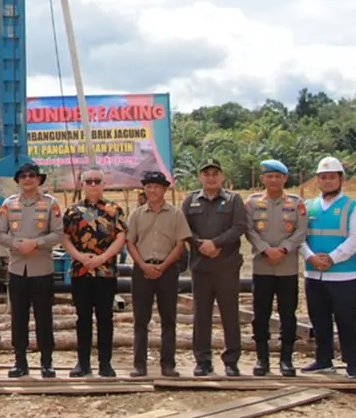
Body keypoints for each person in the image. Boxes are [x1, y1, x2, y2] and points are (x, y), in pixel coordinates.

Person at [0, 161, 64, 378]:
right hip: (17, 269)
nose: (27, 179)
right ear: (18, 180)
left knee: (44, 317)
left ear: (39, 179)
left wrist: (35, 243)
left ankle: (47, 362)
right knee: (19, 316)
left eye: (32, 176)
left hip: (42, 269)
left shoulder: (50, 203)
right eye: (23, 176)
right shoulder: (9, 204)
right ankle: (20, 361)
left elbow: (58, 234)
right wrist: (17, 244)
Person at [301, 156, 356, 378]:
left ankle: (351, 362)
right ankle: (323, 360)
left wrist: (331, 258)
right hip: (314, 274)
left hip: (343, 275)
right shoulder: (309, 206)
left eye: (332, 177)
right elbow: (299, 237)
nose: (328, 181)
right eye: (323, 177)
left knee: (346, 319)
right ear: (317, 180)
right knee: (319, 319)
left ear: (341, 179)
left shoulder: (353, 206)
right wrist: (310, 257)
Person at [182, 158, 248, 376]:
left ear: (222, 176)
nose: (211, 177)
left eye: (215, 173)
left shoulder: (233, 199)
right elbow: (184, 229)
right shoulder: (190, 200)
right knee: (201, 315)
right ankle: (202, 360)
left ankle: (231, 360)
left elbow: (239, 227)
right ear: (200, 176)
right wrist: (201, 245)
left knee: (230, 313)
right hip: (201, 266)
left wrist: (216, 243)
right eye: (206, 173)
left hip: (226, 266)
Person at [244, 159, 308, 376]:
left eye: (277, 176)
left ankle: (286, 360)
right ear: (262, 179)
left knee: (287, 314)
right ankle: (262, 359)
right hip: (262, 267)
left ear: (284, 179)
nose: (273, 180)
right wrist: (265, 249)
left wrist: (283, 249)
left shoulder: (295, 202)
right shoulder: (252, 202)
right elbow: (249, 230)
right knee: (260, 314)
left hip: (287, 267)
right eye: (269, 176)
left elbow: (301, 230)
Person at [61, 166, 127, 377]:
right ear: (82, 184)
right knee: (83, 318)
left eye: (96, 181)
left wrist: (102, 258)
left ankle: (105, 363)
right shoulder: (72, 211)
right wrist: (79, 257)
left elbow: (121, 237)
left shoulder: (114, 209)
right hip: (80, 272)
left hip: (105, 272)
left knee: (105, 318)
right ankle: (83, 363)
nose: (92, 185)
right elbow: (65, 238)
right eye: (88, 181)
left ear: (104, 184)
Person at [125, 170, 189, 377]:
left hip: (168, 270)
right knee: (140, 320)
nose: (152, 190)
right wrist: (143, 265)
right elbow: (130, 242)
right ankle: (139, 364)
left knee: (168, 319)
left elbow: (180, 243)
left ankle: (168, 364)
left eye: (156, 186)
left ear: (164, 189)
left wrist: (163, 266)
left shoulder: (176, 214)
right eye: (149, 186)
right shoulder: (136, 214)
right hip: (142, 270)